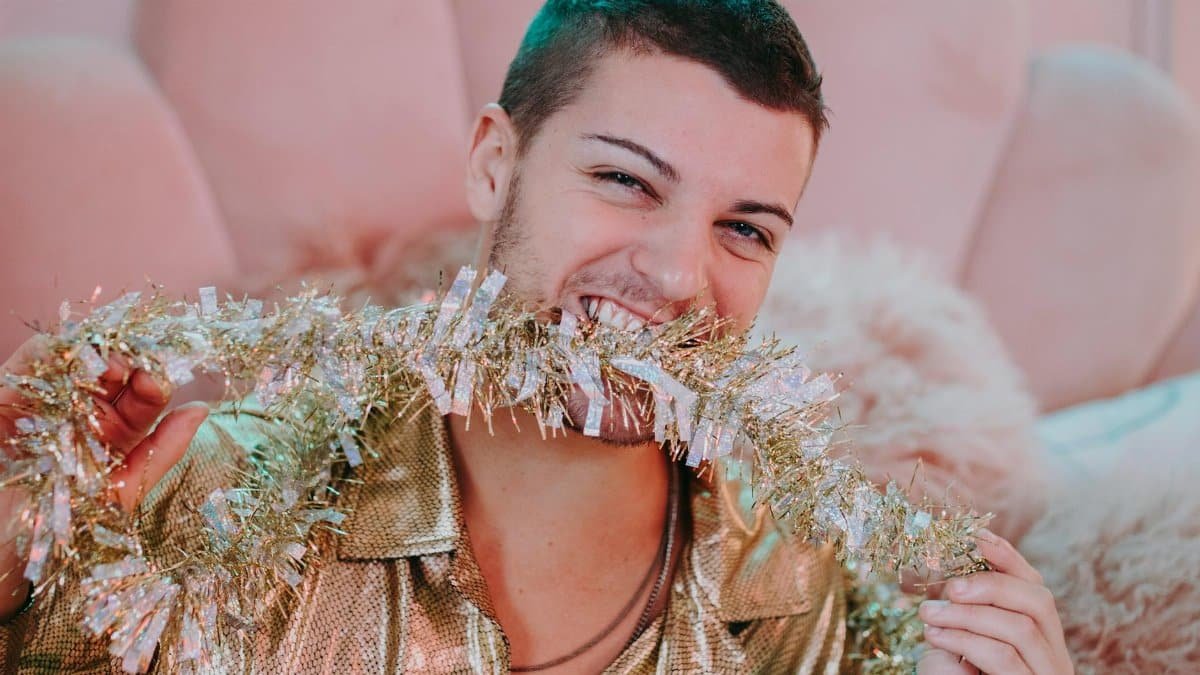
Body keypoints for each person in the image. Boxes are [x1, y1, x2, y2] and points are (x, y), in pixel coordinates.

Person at [0, 1, 1073, 672]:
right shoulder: (219, 490)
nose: (674, 275)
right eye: (622, 179)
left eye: (744, 229)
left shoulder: (795, 598)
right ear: (494, 167)